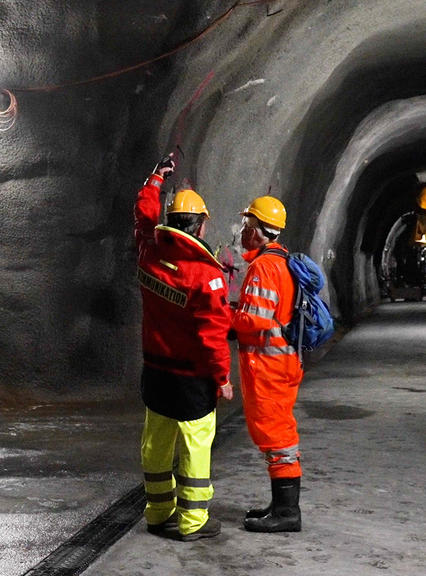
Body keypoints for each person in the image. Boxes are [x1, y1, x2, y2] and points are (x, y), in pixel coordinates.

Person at [134, 153, 233, 541]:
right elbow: (212, 337)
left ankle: (158, 512)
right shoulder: (206, 277)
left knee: (156, 441)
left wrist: (155, 179)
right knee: (195, 445)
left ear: (171, 222)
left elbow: (142, 217)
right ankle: (193, 520)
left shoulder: (150, 252)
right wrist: (222, 378)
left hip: (155, 372)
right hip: (191, 378)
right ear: (202, 225)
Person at [232, 196, 304, 532]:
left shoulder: (264, 266)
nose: (243, 232)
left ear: (261, 231)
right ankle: (280, 505)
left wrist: (230, 318)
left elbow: (256, 320)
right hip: (282, 361)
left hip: (268, 365)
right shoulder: (281, 261)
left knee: (277, 436)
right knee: (278, 434)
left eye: (248, 226)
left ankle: (287, 513)